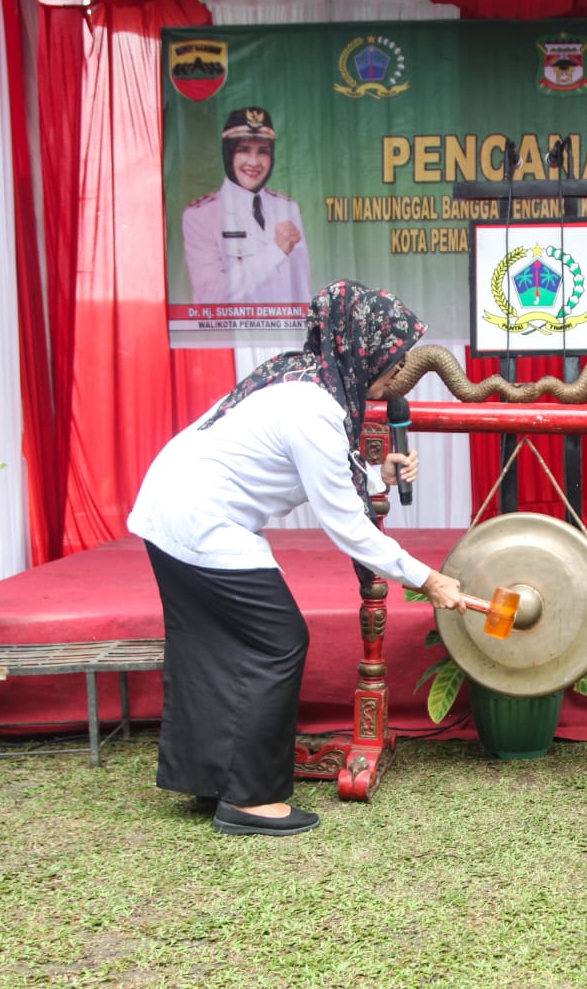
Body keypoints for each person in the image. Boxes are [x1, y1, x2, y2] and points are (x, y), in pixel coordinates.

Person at [128, 280, 466, 836]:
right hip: (201, 519)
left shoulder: (300, 376)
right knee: (279, 639)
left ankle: (210, 778)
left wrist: (376, 473)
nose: (396, 371)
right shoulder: (313, 409)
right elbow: (348, 527)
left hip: (167, 507)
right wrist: (427, 578)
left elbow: (317, 467)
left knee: (211, 646)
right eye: (391, 356)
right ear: (361, 346)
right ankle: (251, 800)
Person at [182, 106, 312, 305]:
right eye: (243, 150)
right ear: (228, 154)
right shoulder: (201, 215)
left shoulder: (287, 208)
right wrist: (274, 252)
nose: (254, 162)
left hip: (284, 334)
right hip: (231, 334)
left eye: (263, 152)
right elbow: (210, 296)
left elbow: (301, 288)